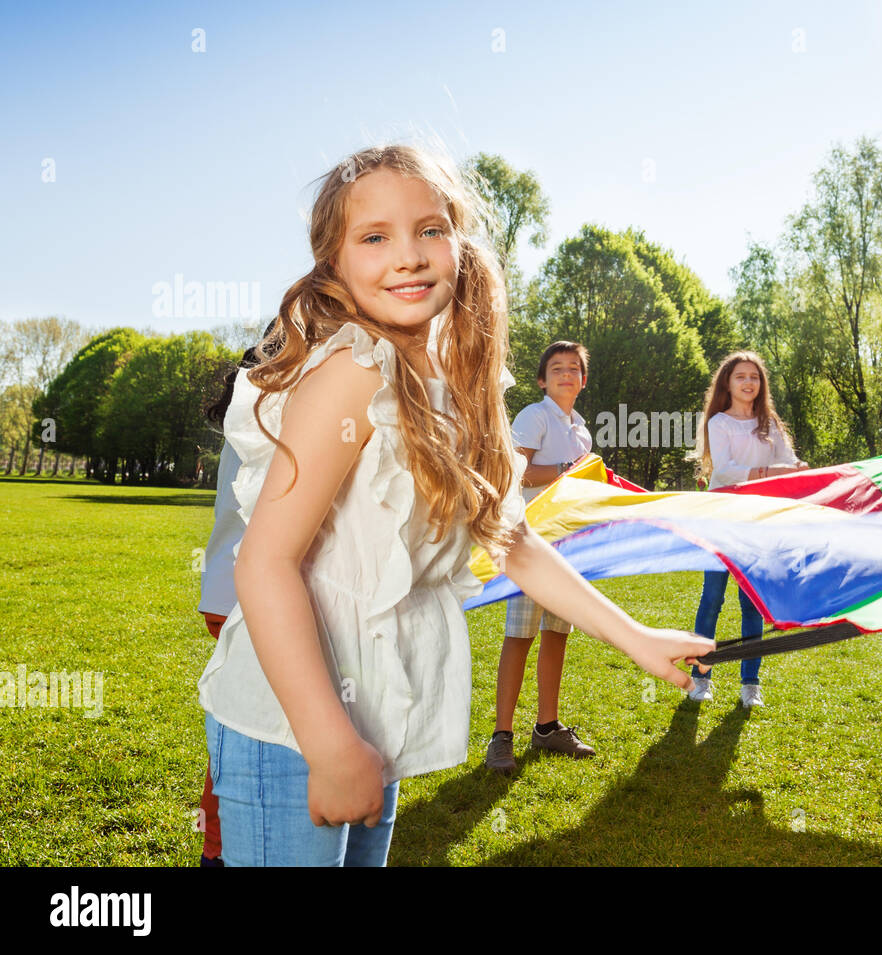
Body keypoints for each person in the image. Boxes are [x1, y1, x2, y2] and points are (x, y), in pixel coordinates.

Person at [196, 144, 712, 866]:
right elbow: (265, 565)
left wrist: (636, 638)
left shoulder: (455, 383)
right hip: (294, 725)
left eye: (429, 230)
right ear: (334, 263)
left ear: (459, 246)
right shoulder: (351, 370)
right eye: (374, 237)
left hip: (376, 712)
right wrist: (329, 741)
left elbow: (515, 541)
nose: (407, 255)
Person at [486, 341, 595, 773]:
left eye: (574, 369)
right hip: (527, 543)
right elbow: (513, 471)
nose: (566, 375)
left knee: (557, 634)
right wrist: (568, 469)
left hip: (566, 545)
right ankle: (502, 737)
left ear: (583, 381)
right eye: (557, 369)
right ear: (542, 379)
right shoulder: (534, 416)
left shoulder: (582, 429)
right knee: (519, 637)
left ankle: (547, 727)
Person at [194, 326, 280, 867]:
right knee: (254, 732)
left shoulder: (254, 400)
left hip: (230, 589)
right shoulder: (273, 407)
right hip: (256, 592)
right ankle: (223, 849)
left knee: (241, 722)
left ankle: (218, 848)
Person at [687, 351, 807, 707]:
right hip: (721, 520)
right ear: (728, 382)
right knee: (711, 600)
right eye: (741, 376)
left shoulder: (769, 422)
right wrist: (773, 473)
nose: (748, 382)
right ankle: (700, 679)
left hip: (758, 523)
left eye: (754, 377)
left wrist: (797, 467)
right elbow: (724, 471)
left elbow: (787, 460)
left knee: (751, 603)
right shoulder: (719, 423)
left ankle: (749, 685)